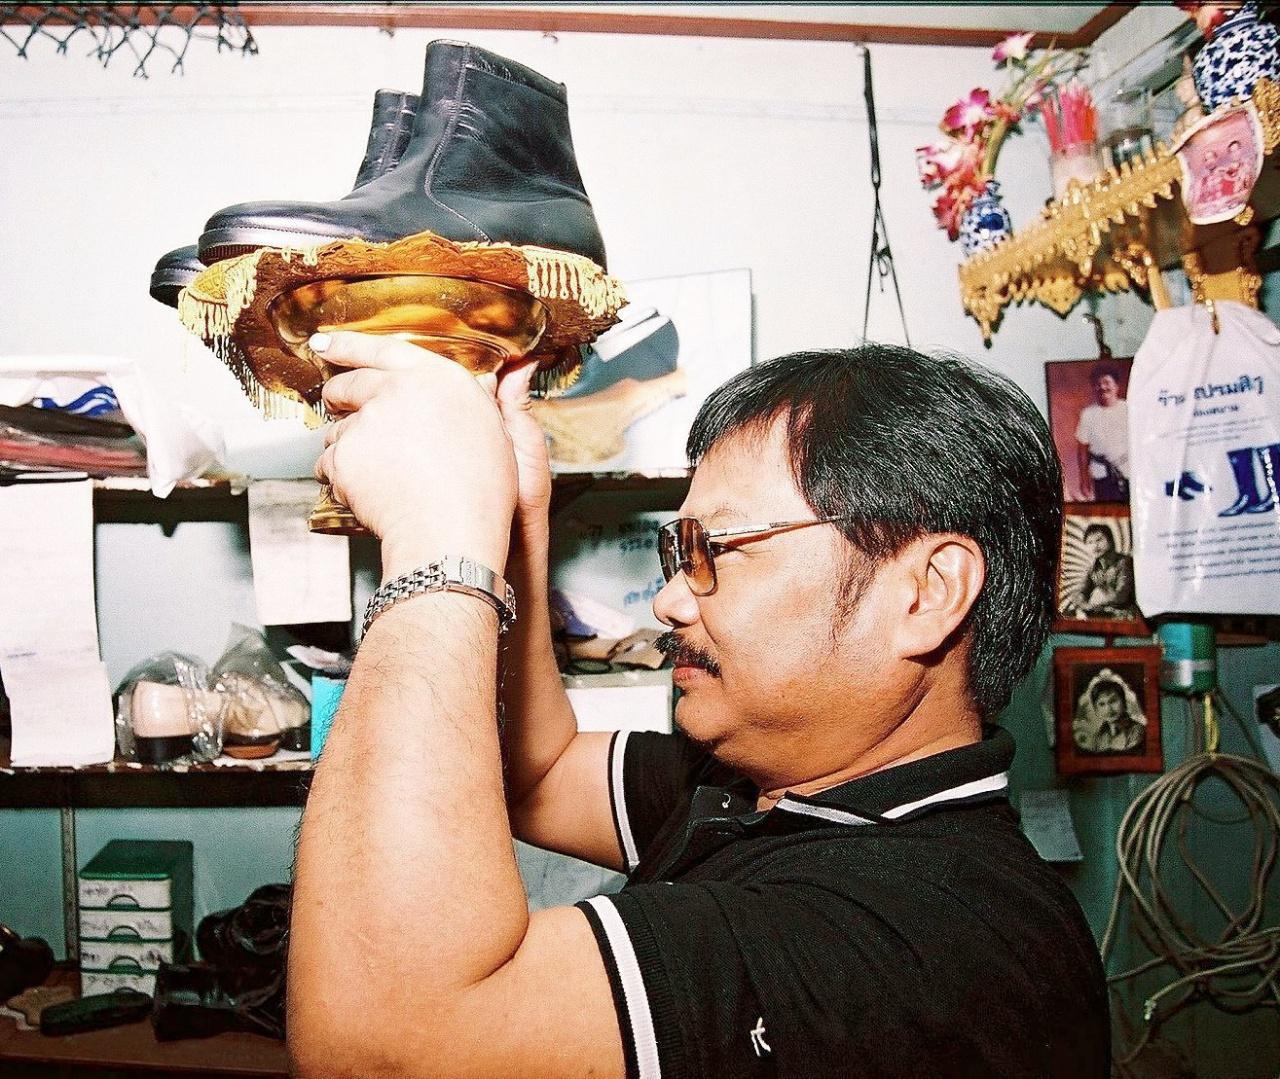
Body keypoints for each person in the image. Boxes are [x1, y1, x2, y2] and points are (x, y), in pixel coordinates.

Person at [289, 336, 1110, 1078]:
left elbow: (385, 1044)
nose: (671, 601)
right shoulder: (770, 785)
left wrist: (439, 540)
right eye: (680, 552)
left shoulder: (922, 945)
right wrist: (515, 519)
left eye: (718, 549)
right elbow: (538, 771)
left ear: (927, 592)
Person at [1074, 360, 1129, 501]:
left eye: (1107, 382)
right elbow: (1082, 449)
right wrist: (1084, 478)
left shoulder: (1128, 409)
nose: (1102, 387)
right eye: (1098, 384)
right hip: (1101, 474)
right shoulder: (1088, 414)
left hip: (1128, 472)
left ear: (1116, 385)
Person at [1061, 521, 1137, 621]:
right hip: (1101, 610)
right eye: (1090, 542)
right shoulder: (1094, 567)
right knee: (1067, 614)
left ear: (1110, 540)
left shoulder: (1124, 562)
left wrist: (1092, 605)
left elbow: (1122, 596)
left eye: (1099, 540)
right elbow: (1082, 591)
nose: (1095, 546)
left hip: (1124, 613)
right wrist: (1082, 601)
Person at [1073, 672, 1145, 754]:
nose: (1108, 709)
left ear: (1124, 702)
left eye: (1113, 701)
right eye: (1102, 704)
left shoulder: (1137, 731)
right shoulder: (1100, 737)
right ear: (1096, 710)